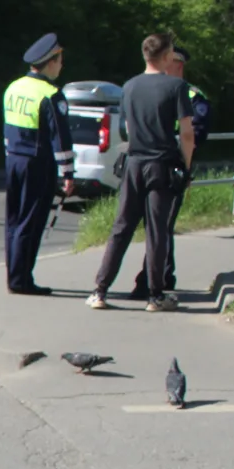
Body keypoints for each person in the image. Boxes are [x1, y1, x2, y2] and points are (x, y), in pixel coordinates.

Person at [88, 31, 195, 313]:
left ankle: (100, 290)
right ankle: (155, 296)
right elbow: (186, 133)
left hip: (134, 163)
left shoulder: (129, 87)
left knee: (121, 228)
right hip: (161, 165)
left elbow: (127, 128)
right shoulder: (176, 88)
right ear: (167, 55)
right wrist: (186, 166)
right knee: (157, 231)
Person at [130, 44, 212, 300]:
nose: (165, 65)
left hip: (173, 165)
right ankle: (165, 274)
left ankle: (148, 281)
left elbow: (196, 132)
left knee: (161, 223)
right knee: (159, 223)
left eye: (171, 61)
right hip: (148, 163)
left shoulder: (191, 96)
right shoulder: (152, 89)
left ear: (179, 65)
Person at [1, 32, 74, 295]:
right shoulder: (51, 94)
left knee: (14, 219)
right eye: (60, 60)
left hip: (13, 161)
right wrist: (68, 173)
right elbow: (61, 138)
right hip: (37, 164)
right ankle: (21, 280)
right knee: (30, 221)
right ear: (50, 62)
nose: (62, 65)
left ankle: (13, 274)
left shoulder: (14, 87)